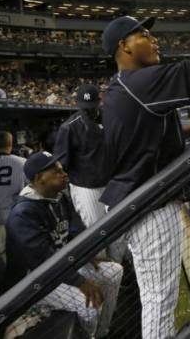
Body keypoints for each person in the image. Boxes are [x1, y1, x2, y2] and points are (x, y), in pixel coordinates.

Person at [99, 0, 190, 339]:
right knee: (159, 299)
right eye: (143, 34)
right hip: (148, 205)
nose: (154, 40)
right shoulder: (139, 81)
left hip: (135, 199)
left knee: (158, 296)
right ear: (124, 45)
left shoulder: (125, 86)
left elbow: (145, 131)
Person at [4, 151, 123, 339]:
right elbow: (43, 260)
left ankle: (102, 333)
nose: (64, 173)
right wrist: (80, 282)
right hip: (34, 283)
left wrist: (88, 254)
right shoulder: (23, 214)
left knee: (113, 272)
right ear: (39, 178)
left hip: (59, 270)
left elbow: (77, 232)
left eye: (62, 169)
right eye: (56, 171)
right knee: (89, 303)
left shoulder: (59, 198)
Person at [53, 84, 125, 261]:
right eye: (84, 108)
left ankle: (119, 271)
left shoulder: (111, 119)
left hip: (113, 184)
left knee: (119, 232)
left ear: (99, 102)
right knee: (95, 235)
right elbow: (61, 163)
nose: (88, 111)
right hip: (86, 188)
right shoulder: (69, 127)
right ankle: (102, 277)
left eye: (91, 107)